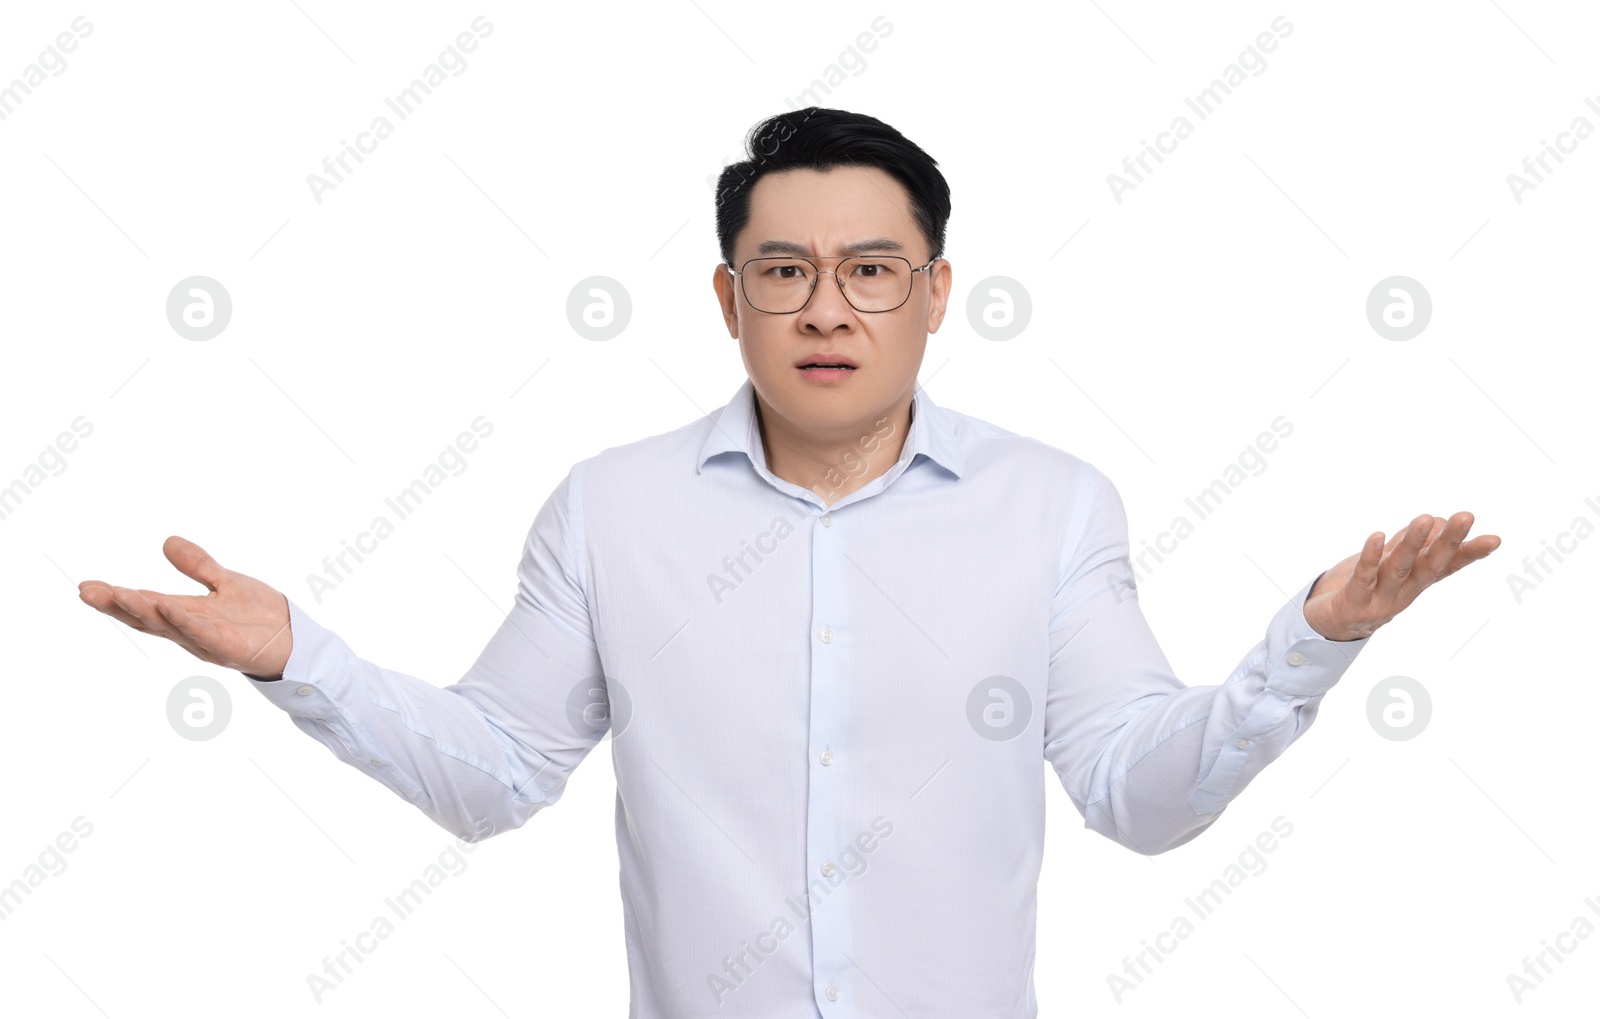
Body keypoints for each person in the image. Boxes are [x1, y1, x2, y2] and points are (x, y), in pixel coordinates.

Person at [78, 107, 1499, 1017]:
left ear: (936, 294)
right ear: (729, 297)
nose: (831, 309)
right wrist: (297, 659)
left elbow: (1137, 795)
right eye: (786, 271)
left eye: (874, 269)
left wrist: (1310, 642)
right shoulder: (612, 508)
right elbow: (493, 773)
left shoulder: (1053, 506)